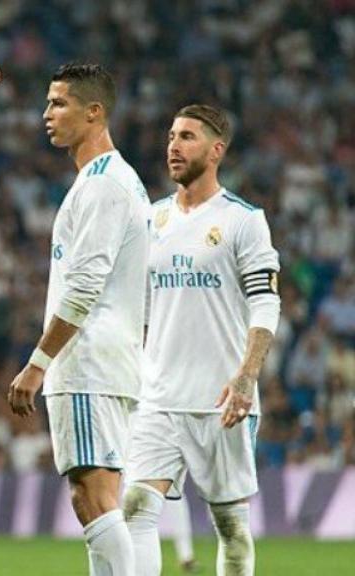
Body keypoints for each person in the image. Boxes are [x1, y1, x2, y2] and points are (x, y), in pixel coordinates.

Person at [123, 104, 280, 576]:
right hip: (158, 396)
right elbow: (143, 310)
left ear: (216, 150)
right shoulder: (151, 220)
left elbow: (266, 303)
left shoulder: (243, 220)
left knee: (230, 526)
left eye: (187, 136)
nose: (173, 145)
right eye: (171, 135)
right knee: (134, 506)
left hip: (220, 398)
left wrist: (247, 376)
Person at [7, 63, 150, 575]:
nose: (47, 114)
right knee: (101, 492)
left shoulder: (103, 186)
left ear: (95, 113)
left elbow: (84, 287)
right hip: (113, 357)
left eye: (59, 103)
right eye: (48, 103)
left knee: (92, 494)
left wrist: (38, 362)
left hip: (88, 362)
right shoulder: (121, 183)